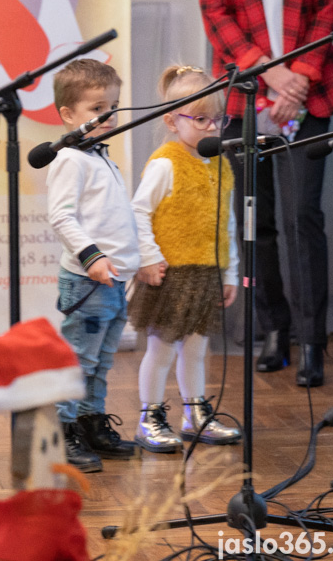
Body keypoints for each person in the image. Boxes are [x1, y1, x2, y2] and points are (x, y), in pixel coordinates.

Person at [200, 0, 333, 387]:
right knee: (255, 219)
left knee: (301, 217)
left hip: (310, 88)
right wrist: (270, 72)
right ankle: (273, 329)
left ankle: (309, 340)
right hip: (244, 93)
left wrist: (298, 78)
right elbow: (216, 13)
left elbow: (327, 9)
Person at [129, 65, 242, 453]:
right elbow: (138, 212)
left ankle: (195, 414)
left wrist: (231, 271)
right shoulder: (165, 163)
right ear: (172, 121)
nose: (211, 127)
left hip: (206, 272)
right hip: (170, 273)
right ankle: (150, 417)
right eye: (200, 119)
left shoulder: (222, 164)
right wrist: (149, 257)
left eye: (218, 119)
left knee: (197, 350)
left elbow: (225, 221)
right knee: (160, 349)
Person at [45, 59, 139, 473]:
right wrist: (93, 256)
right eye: (97, 108)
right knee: (77, 359)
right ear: (68, 115)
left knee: (101, 360)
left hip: (115, 281)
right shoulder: (71, 159)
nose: (108, 116)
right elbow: (62, 217)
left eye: (113, 107)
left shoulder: (102, 157)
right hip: (88, 280)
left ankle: (90, 421)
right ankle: (61, 432)